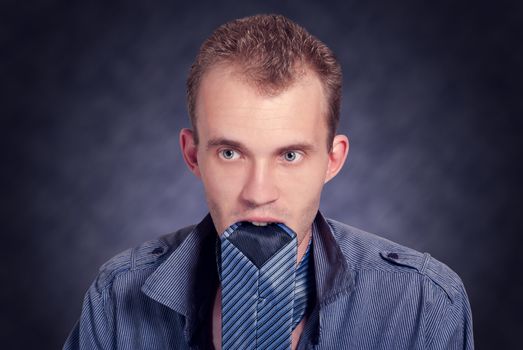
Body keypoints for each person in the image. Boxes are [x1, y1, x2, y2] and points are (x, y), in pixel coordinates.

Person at [64, 14, 474, 350]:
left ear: (333, 160)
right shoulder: (118, 297)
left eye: (290, 156)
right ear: (193, 155)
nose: (258, 194)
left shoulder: (425, 304)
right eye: (231, 153)